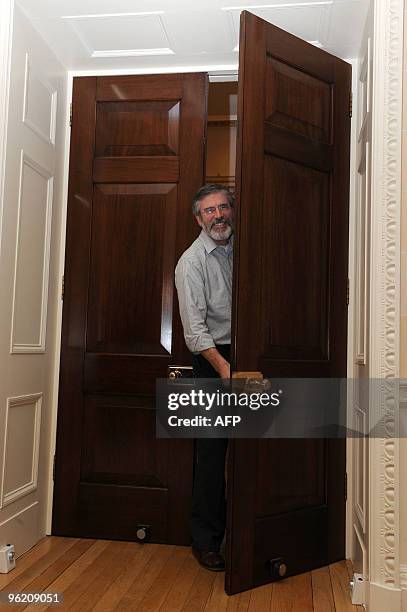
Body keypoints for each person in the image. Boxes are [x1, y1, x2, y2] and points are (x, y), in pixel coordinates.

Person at [175, 183, 234, 572]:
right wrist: (227, 371)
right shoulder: (191, 262)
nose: (218, 215)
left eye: (223, 207)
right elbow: (195, 333)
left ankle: (249, 534)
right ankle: (206, 542)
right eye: (210, 211)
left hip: (250, 356)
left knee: (256, 449)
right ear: (199, 219)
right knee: (212, 456)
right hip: (214, 362)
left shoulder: (243, 248)